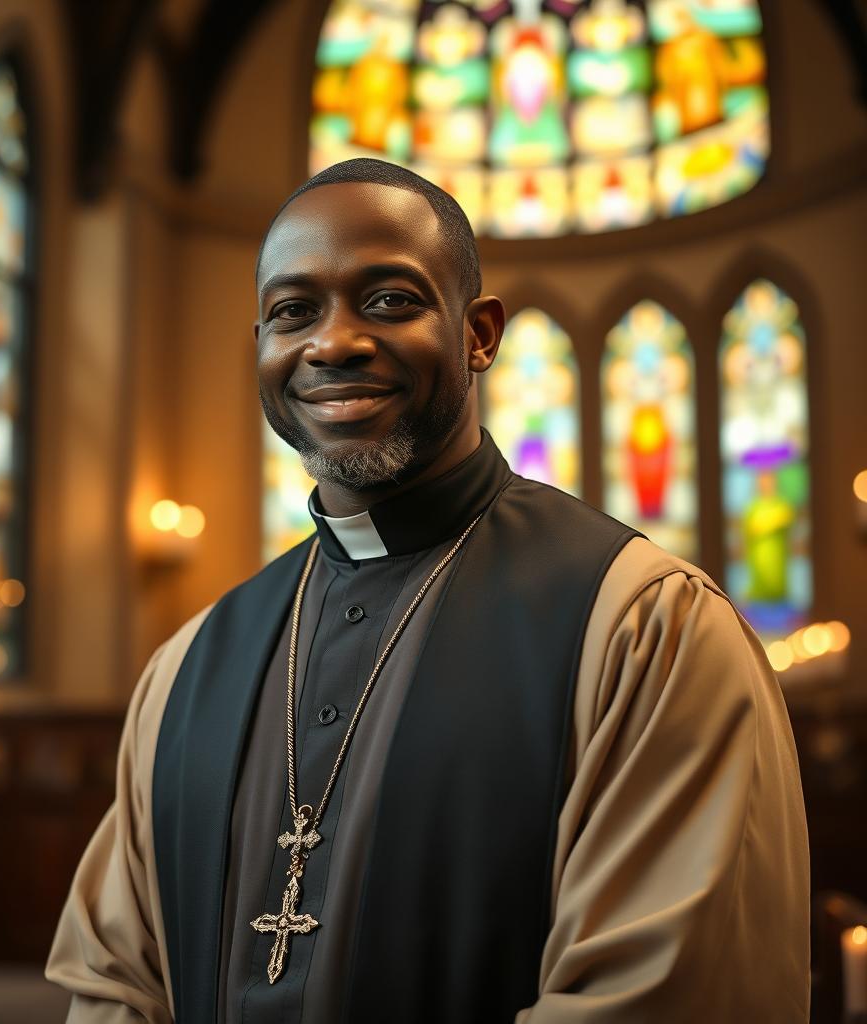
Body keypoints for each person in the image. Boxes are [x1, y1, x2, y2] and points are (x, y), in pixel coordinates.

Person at [45, 159, 810, 1023]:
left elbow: (664, 999)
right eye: (292, 312)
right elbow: (113, 988)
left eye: (388, 301)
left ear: (479, 334)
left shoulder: (646, 626)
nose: (332, 343)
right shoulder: (187, 667)